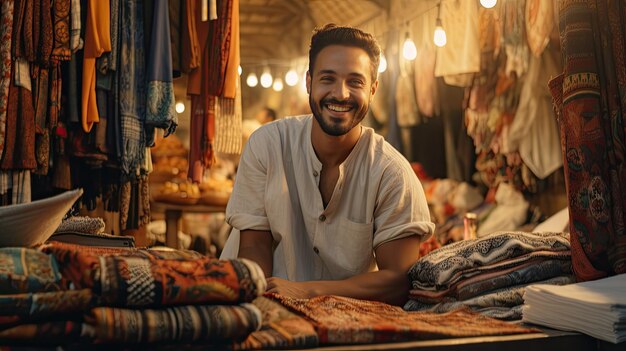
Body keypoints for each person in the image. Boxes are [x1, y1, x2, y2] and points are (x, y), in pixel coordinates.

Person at [220, 24, 434, 306]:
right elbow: (253, 245)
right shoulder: (267, 146)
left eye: (355, 82)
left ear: (372, 90)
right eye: (327, 79)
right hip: (261, 304)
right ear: (309, 82)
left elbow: (397, 280)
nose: (341, 94)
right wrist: (262, 298)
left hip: (346, 318)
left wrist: (306, 292)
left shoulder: (391, 173)